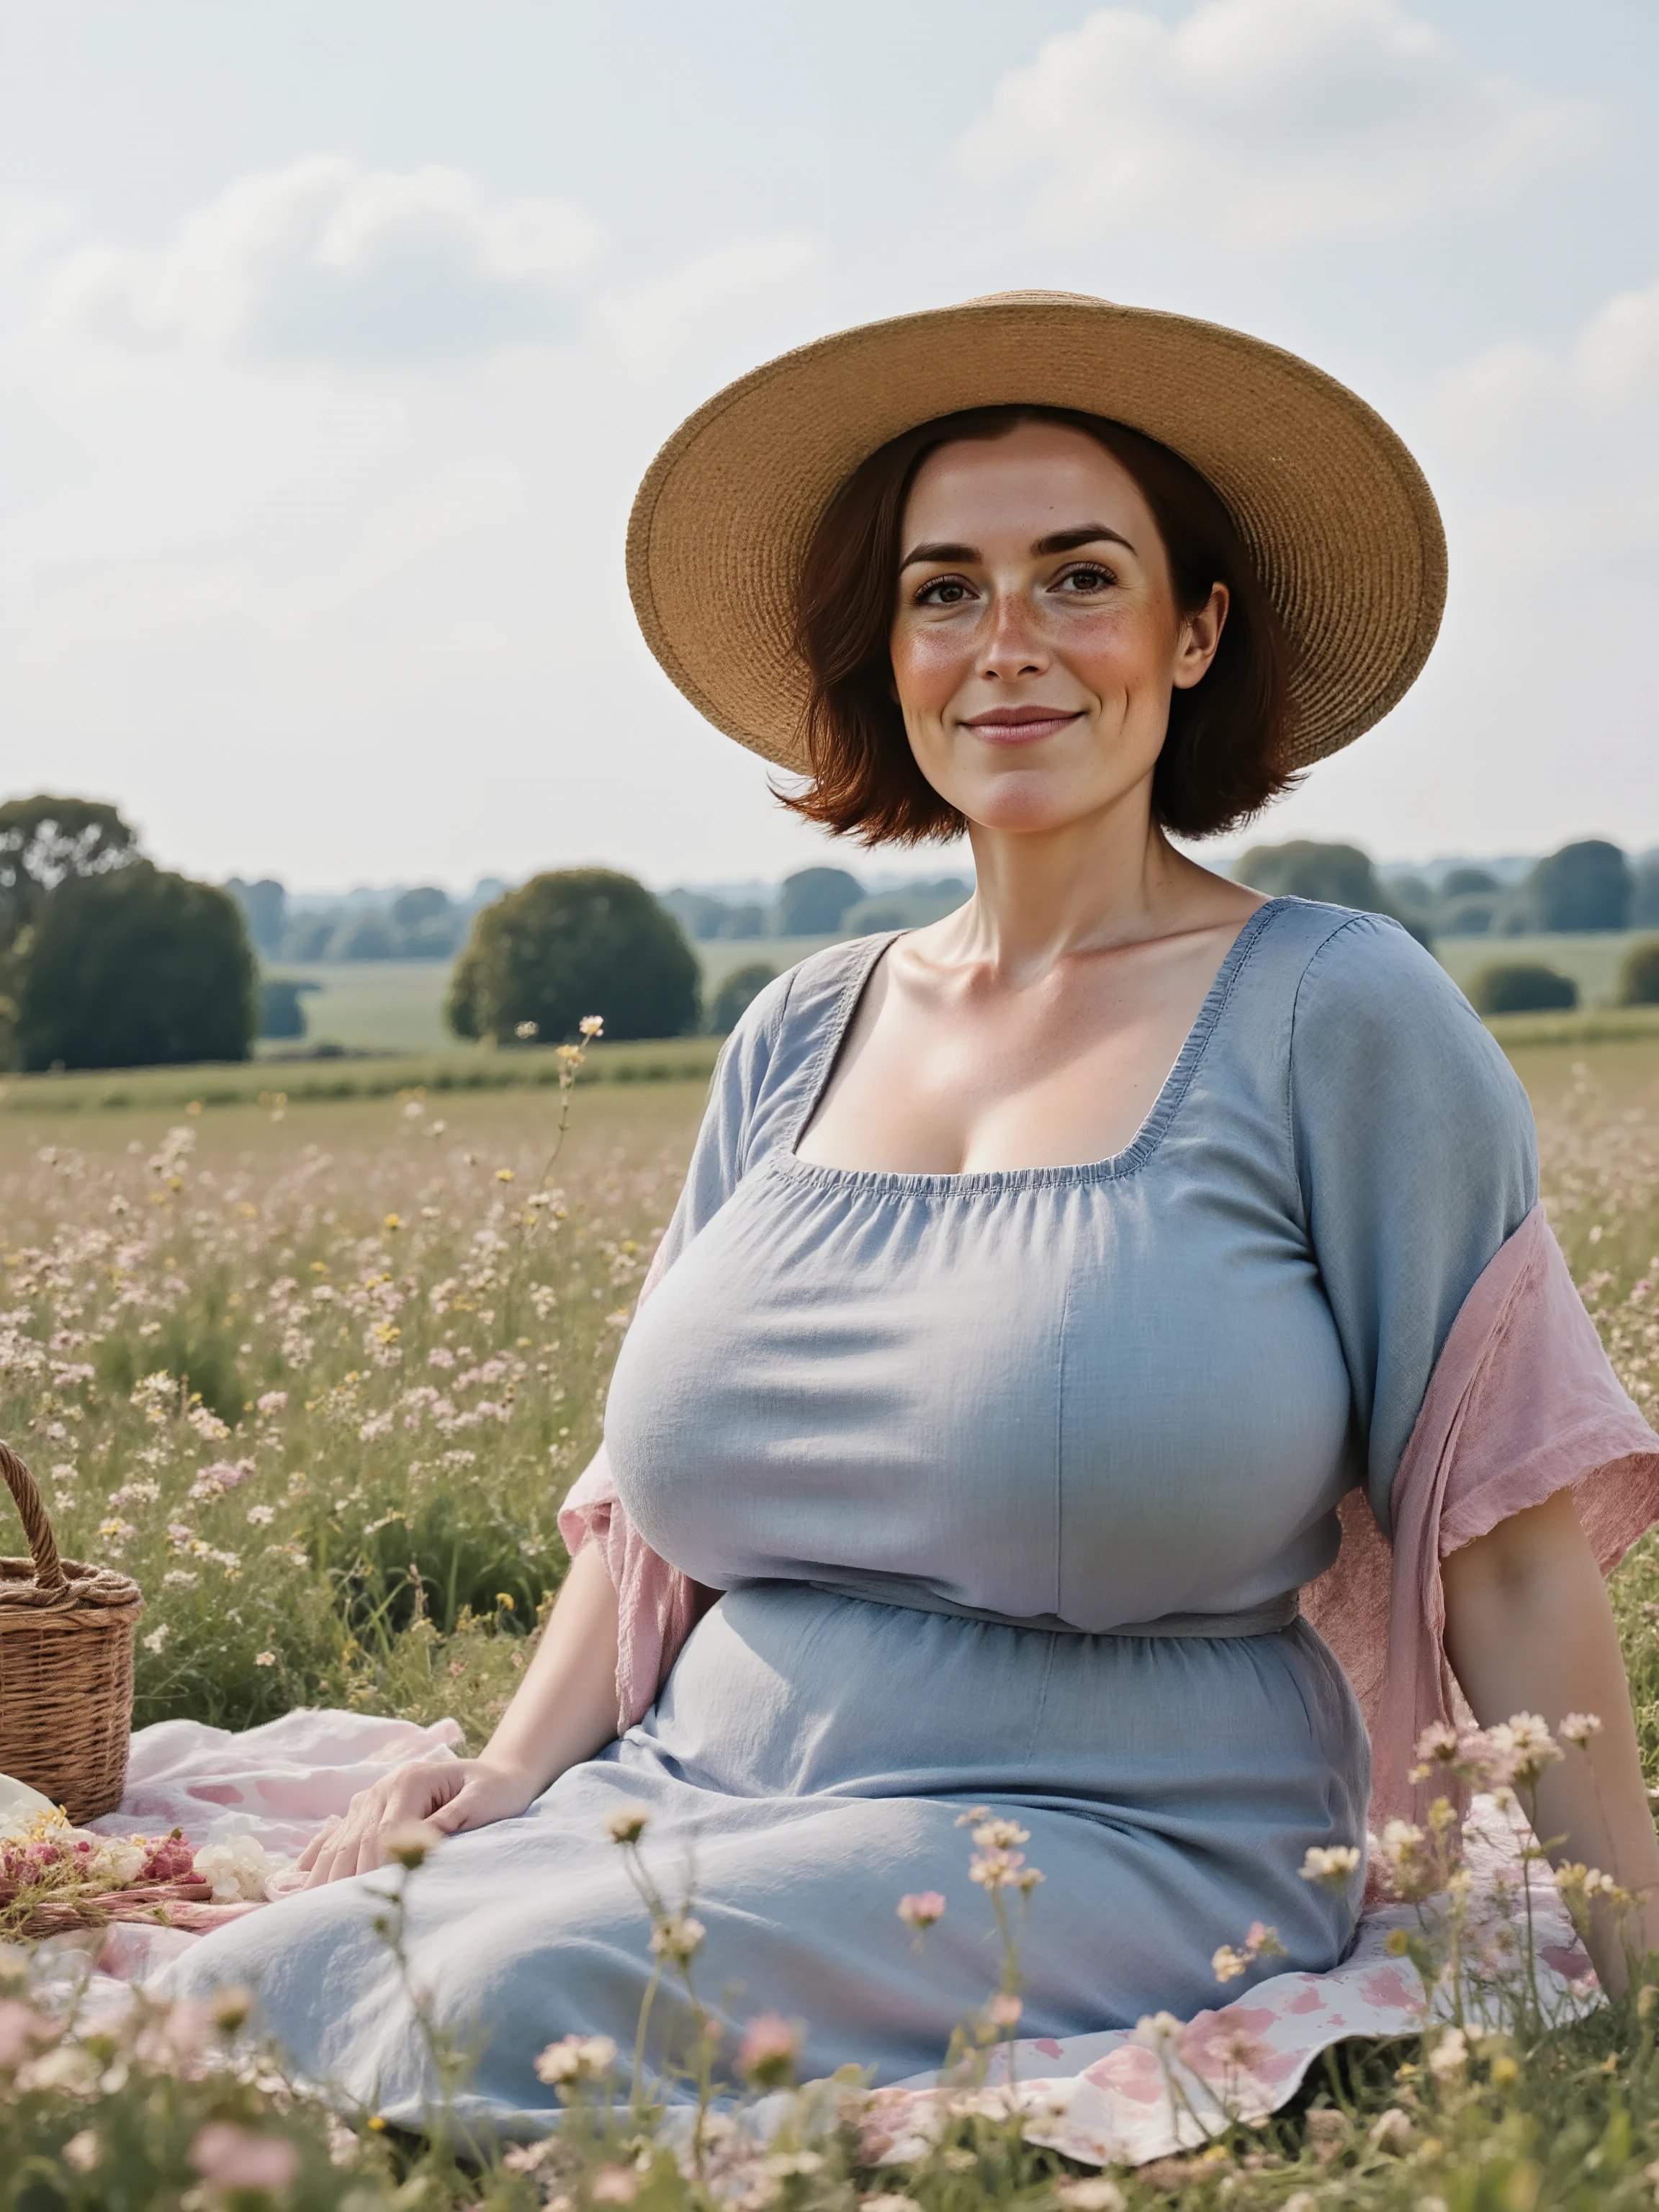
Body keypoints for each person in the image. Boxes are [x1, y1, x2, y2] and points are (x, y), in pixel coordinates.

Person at [164, 293, 1659, 2126]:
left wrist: (1636, 1951)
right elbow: (645, 1528)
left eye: (1079, 578)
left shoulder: (1336, 1013)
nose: (1007, 644)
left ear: (1195, 632)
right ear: (891, 650)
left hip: (1112, 1837)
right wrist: (509, 1776)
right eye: (946, 589)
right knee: (246, 1980)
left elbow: (1502, 1534)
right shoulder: (802, 1029)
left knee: (489, 1997)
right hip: (699, 1787)